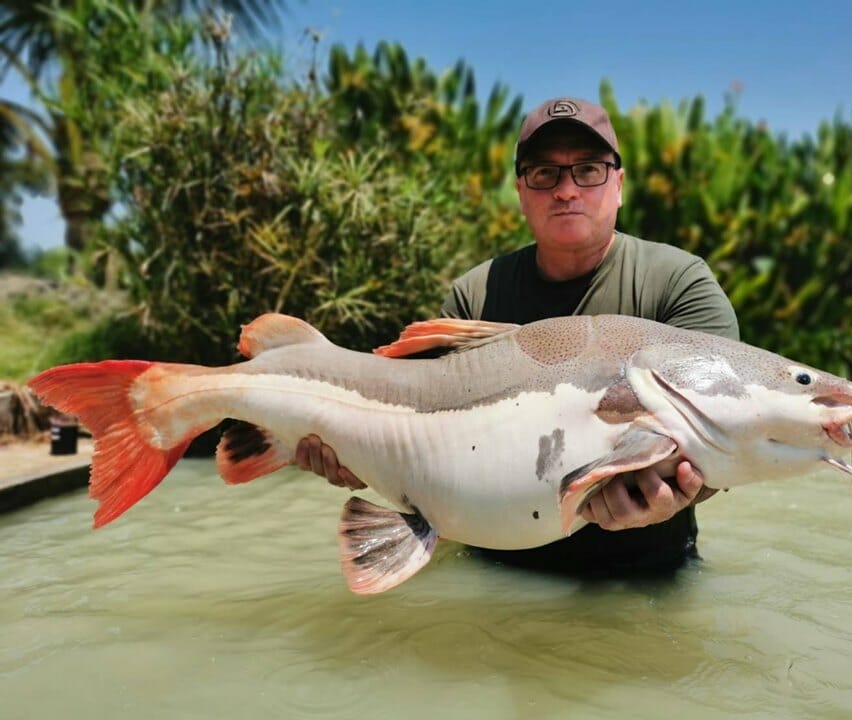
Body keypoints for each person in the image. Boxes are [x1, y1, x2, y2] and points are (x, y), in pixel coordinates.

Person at [296, 97, 739, 574]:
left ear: (619, 185)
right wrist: (344, 451)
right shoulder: (475, 294)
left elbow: (733, 435)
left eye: (588, 170)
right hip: (495, 576)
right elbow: (410, 433)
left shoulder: (679, 283)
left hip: (646, 576)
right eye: (545, 174)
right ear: (521, 192)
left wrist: (675, 497)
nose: (566, 190)